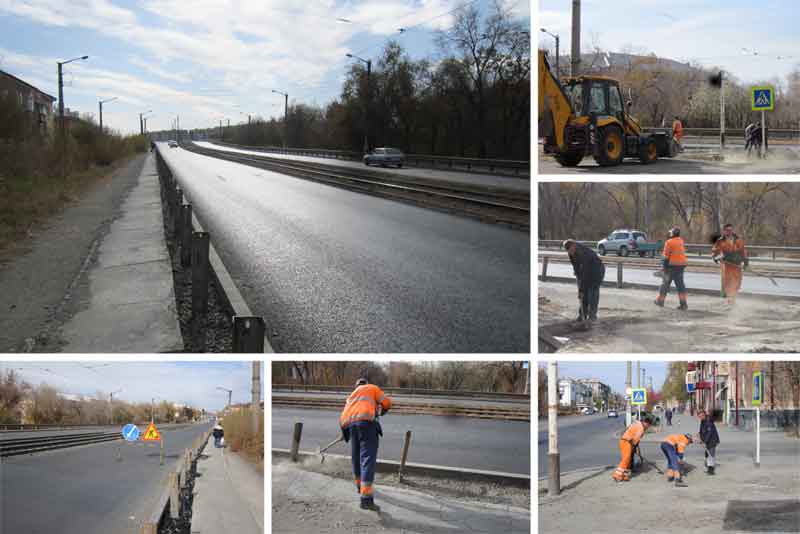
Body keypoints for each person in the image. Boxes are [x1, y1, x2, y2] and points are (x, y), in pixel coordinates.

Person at [339, 377, 392, 511]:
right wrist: (382, 411)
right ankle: (366, 499)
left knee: (356, 457)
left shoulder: (351, 396)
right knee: (367, 458)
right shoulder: (372, 388)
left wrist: (346, 432)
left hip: (350, 425)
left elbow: (343, 417)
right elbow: (387, 402)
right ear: (365, 384)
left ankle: (359, 487)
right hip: (367, 424)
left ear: (356, 386)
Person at [563, 239, 606, 324]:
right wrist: (577, 274)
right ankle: (582, 316)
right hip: (586, 271)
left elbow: (584, 272)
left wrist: (581, 289)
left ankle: (592, 317)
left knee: (592, 293)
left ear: (574, 246)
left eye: (571, 250)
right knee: (583, 295)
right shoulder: (571, 252)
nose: (570, 252)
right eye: (568, 251)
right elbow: (575, 266)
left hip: (596, 271)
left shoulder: (582, 253)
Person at [711, 223, 749, 305]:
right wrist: (715, 257)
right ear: (724, 231)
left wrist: (746, 261)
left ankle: (732, 298)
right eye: (727, 230)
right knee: (728, 282)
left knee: (737, 282)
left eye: (731, 230)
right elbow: (715, 250)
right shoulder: (720, 241)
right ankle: (731, 300)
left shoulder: (738, 240)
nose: (729, 232)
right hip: (728, 265)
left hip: (737, 264)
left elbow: (743, 251)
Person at [655, 227, 688, 310]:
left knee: (665, 284)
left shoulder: (669, 242)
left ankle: (660, 301)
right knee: (680, 286)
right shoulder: (681, 240)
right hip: (681, 266)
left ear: (672, 234)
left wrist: (664, 268)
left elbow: (665, 257)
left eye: (670, 233)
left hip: (671, 266)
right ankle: (683, 304)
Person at [612, 414, 653, 482]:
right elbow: (635, 440)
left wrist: (635, 448)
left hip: (624, 441)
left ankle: (624, 475)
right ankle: (617, 475)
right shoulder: (641, 428)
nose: (648, 427)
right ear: (646, 423)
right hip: (627, 442)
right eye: (648, 425)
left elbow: (635, 440)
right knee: (626, 459)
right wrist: (634, 447)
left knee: (627, 459)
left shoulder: (637, 423)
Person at [697, 409, 720, 475]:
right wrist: (699, 434)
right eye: (699, 416)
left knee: (710, 455)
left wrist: (705, 442)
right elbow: (702, 429)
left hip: (712, 440)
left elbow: (709, 433)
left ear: (704, 414)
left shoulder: (708, 421)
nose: (700, 417)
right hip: (707, 441)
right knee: (707, 455)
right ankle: (709, 468)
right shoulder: (703, 420)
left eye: (701, 416)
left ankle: (711, 471)